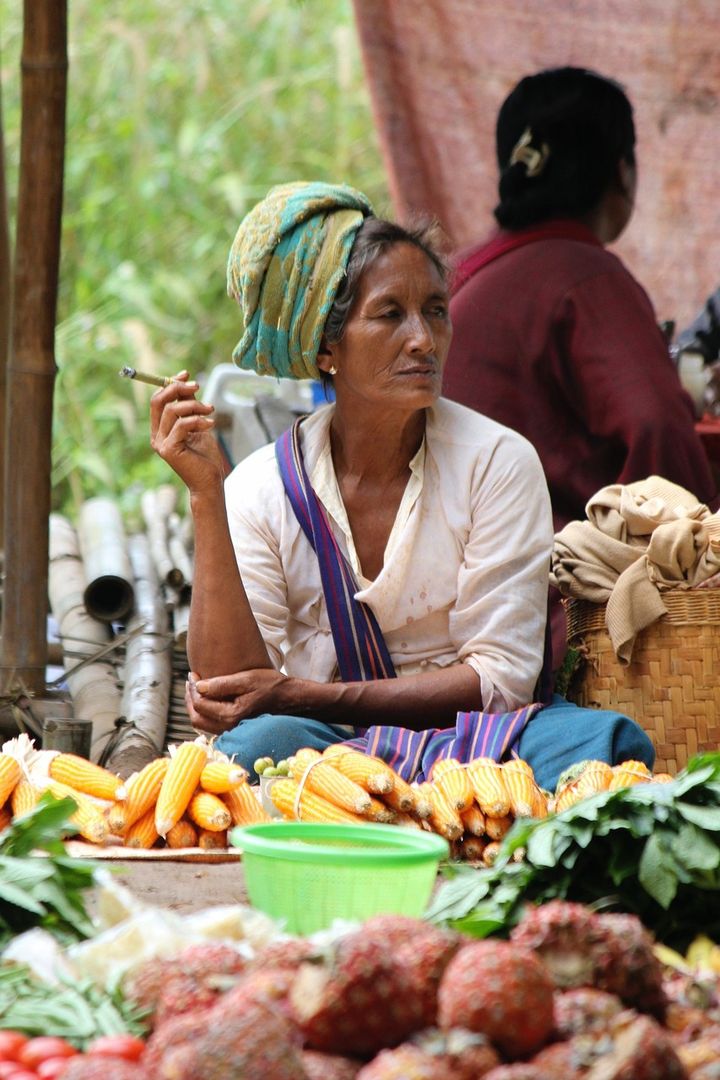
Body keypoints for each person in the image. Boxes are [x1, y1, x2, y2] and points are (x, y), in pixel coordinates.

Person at [150, 181, 653, 791]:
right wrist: (208, 495)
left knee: (603, 745)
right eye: (391, 314)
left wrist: (306, 694)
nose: (423, 338)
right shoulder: (263, 487)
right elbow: (226, 688)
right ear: (327, 345)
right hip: (328, 749)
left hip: (480, 743)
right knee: (254, 747)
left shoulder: (496, 462)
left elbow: (503, 681)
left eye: (436, 310)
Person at [441, 67, 718, 672]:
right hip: (558, 626)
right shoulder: (586, 279)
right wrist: (683, 558)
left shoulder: (456, 279)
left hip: (446, 612)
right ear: (622, 171)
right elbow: (656, 426)